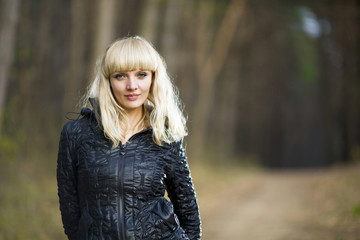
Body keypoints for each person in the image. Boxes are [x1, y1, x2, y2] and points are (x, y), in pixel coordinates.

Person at [57, 36, 201, 240]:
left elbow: (188, 211)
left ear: (153, 78)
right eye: (120, 76)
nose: (132, 85)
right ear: (108, 81)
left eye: (141, 74)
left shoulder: (165, 135)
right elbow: (70, 209)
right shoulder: (76, 134)